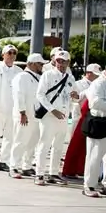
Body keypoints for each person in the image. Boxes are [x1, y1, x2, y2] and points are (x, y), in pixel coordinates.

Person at [33, 49, 74, 186]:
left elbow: (71, 96)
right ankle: (39, 174)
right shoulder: (48, 75)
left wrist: (75, 97)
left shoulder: (70, 78)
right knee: (44, 145)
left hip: (63, 116)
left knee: (58, 146)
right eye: (58, 61)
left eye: (63, 61)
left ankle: (54, 173)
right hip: (49, 116)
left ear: (68, 62)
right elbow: (40, 95)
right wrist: (52, 110)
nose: (60, 64)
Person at [10, 54, 46, 179]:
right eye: (39, 64)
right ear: (31, 64)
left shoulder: (40, 77)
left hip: (36, 116)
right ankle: (14, 166)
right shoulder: (21, 77)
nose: (41, 66)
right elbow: (19, 96)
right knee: (20, 141)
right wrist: (22, 112)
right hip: (24, 115)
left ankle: (27, 166)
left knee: (32, 142)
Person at [82, 59, 106, 197]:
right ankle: (89, 185)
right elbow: (95, 103)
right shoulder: (98, 84)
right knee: (94, 155)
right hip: (100, 123)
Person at [63, 63, 100, 179]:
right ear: (88, 73)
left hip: (90, 118)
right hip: (78, 116)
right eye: (95, 74)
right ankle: (70, 169)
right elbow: (75, 98)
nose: (97, 77)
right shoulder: (78, 84)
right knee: (75, 144)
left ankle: (80, 169)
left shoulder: (96, 84)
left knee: (85, 147)